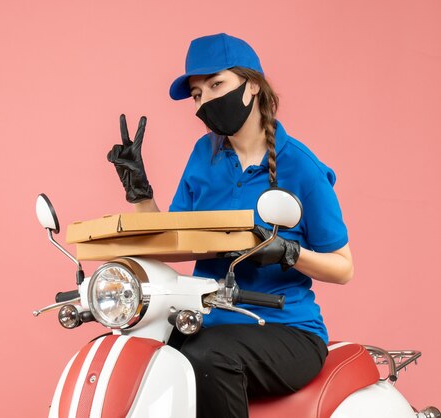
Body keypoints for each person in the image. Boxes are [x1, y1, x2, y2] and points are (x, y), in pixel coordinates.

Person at [107, 33, 353, 418]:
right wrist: (138, 191)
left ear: (252, 84)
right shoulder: (204, 155)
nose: (206, 100)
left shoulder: (300, 165)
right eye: (197, 94)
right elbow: (170, 241)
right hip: (207, 322)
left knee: (207, 357)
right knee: (134, 351)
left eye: (216, 84)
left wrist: (288, 253)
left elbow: (343, 268)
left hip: (286, 330)